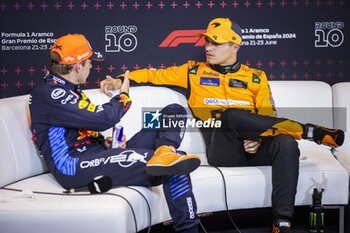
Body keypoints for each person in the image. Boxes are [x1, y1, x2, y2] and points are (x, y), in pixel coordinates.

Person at [100, 18, 345, 233]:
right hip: (223, 148)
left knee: (286, 143)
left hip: (255, 146)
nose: (208, 47)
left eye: (215, 43)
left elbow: (268, 115)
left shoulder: (255, 77)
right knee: (230, 116)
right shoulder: (192, 72)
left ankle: (282, 223)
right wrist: (121, 80)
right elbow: (152, 75)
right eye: (207, 41)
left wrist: (260, 138)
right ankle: (309, 131)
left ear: (235, 46)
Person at [29, 34, 201, 233]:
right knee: (175, 164)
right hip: (74, 166)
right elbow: (104, 119)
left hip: (96, 154)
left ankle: (164, 149)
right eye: (90, 62)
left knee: (172, 111)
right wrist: (124, 96)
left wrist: (105, 145)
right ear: (78, 65)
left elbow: (78, 129)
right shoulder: (51, 92)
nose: (92, 66)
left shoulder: (68, 90)